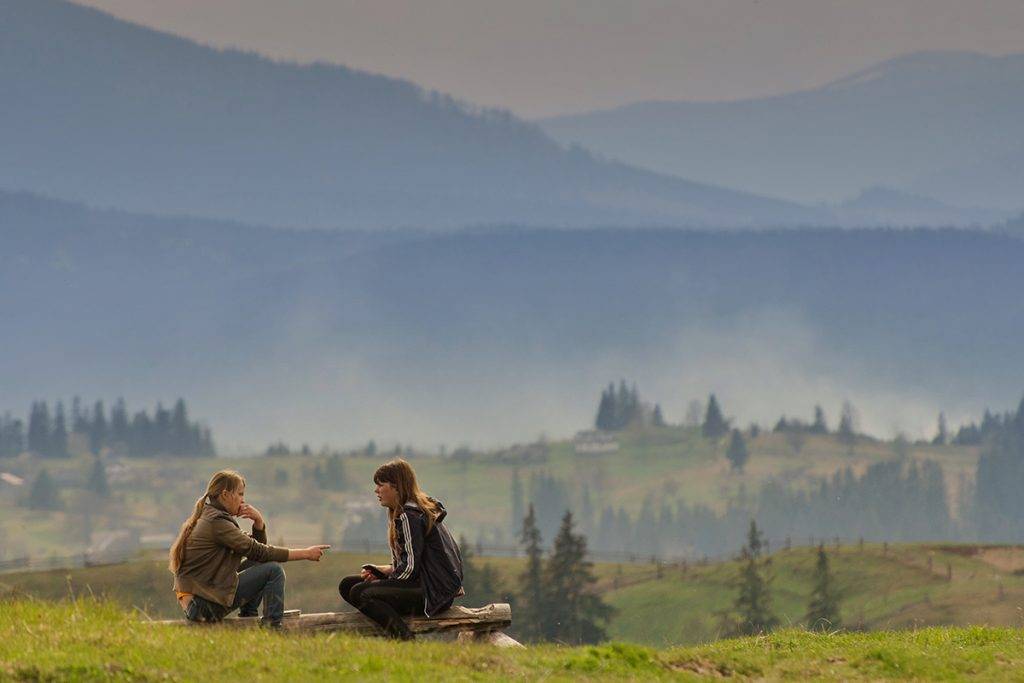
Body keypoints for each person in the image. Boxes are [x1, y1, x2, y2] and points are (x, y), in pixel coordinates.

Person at [169, 469, 330, 627]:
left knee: (260, 565)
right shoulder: (217, 523)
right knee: (274, 571)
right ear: (225, 495)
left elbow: (257, 554)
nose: (242, 500)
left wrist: (258, 523)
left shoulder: (211, 517)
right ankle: (273, 629)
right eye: (240, 494)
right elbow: (260, 551)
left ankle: (248, 620)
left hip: (199, 605)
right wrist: (306, 553)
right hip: (202, 608)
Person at [339, 459, 463, 640]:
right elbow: (411, 562)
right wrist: (383, 571)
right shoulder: (411, 511)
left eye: (381, 485)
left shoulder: (408, 516)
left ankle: (404, 639)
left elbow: (410, 569)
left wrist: (383, 582)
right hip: (431, 588)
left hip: (431, 594)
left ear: (396, 486)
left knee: (360, 592)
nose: (376, 490)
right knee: (347, 585)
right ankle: (395, 628)